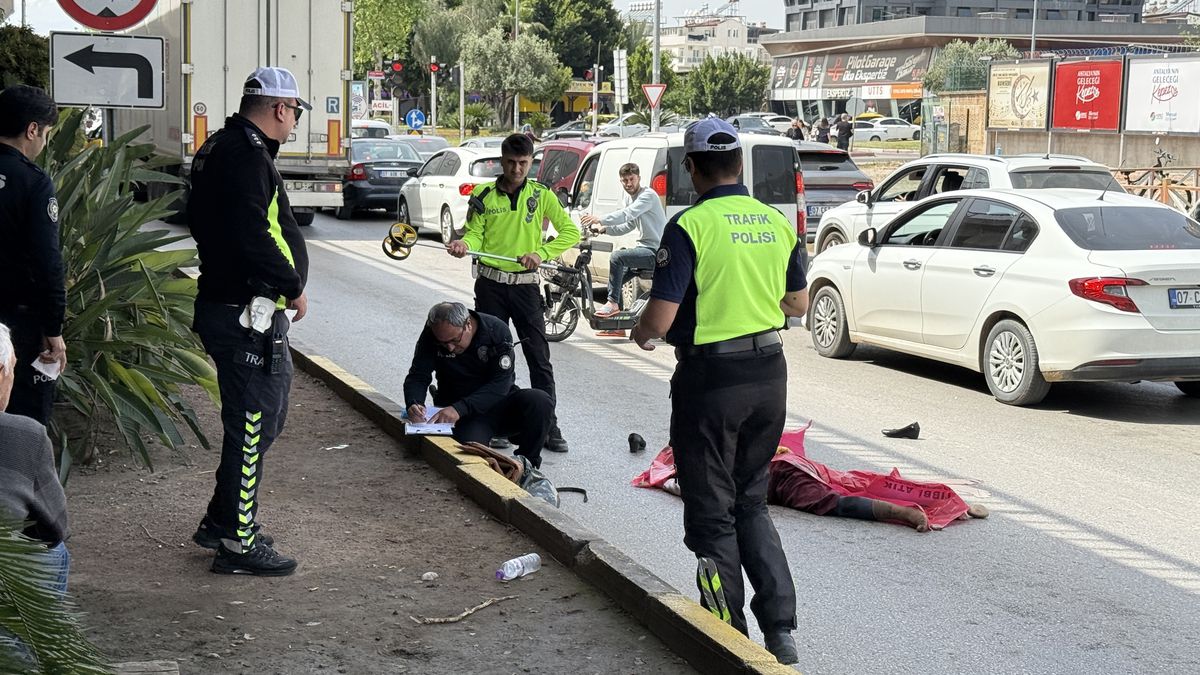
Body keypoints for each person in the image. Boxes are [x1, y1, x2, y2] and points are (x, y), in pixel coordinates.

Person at [629, 118, 809, 664]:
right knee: (751, 500)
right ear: (739, 164)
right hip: (769, 375)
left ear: (691, 167)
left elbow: (659, 320)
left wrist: (639, 331)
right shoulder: (776, 221)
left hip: (711, 382)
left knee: (711, 514)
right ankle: (780, 631)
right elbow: (797, 304)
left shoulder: (690, 226)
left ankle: (727, 637)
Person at [186, 67, 312, 576]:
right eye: (296, 111)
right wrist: (291, 284)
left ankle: (223, 520)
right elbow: (251, 233)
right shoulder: (246, 154)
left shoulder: (223, 145)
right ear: (280, 108)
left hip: (235, 306)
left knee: (260, 419)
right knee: (253, 424)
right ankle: (237, 542)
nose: (296, 121)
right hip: (244, 312)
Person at [448, 134, 580, 454]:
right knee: (492, 357)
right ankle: (497, 422)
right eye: (511, 162)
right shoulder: (482, 195)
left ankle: (548, 424)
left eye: (523, 163)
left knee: (538, 357)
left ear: (531, 162)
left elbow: (570, 232)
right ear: (502, 160)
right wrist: (465, 244)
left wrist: (541, 253)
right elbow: (476, 234)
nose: (517, 169)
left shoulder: (541, 195)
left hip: (526, 287)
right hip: (490, 286)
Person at [403, 302, 553, 469]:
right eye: (443, 344)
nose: (450, 348)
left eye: (454, 340)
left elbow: (501, 384)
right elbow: (418, 375)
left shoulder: (495, 330)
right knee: (470, 457)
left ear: (468, 324)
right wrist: (414, 403)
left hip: (497, 403)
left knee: (540, 400)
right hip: (464, 416)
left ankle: (527, 465)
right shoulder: (433, 334)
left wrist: (460, 408)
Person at [0, 85, 67, 426]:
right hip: (16, 322)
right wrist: (53, 329)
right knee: (22, 421)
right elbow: (47, 262)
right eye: (46, 133)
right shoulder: (33, 182)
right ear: (32, 130)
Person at [0, 323, 70, 594]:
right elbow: (54, 522)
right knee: (53, 549)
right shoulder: (24, 433)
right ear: (2, 372)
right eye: (13, 369)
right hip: (9, 568)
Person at [580, 162, 668, 337]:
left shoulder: (648, 195)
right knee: (616, 280)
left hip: (656, 252)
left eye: (631, 179)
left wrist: (599, 219)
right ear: (620, 181)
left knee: (617, 257)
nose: (629, 183)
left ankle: (612, 304)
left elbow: (627, 214)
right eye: (625, 180)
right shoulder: (629, 199)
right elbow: (628, 225)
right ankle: (617, 327)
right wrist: (604, 229)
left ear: (639, 178)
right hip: (644, 248)